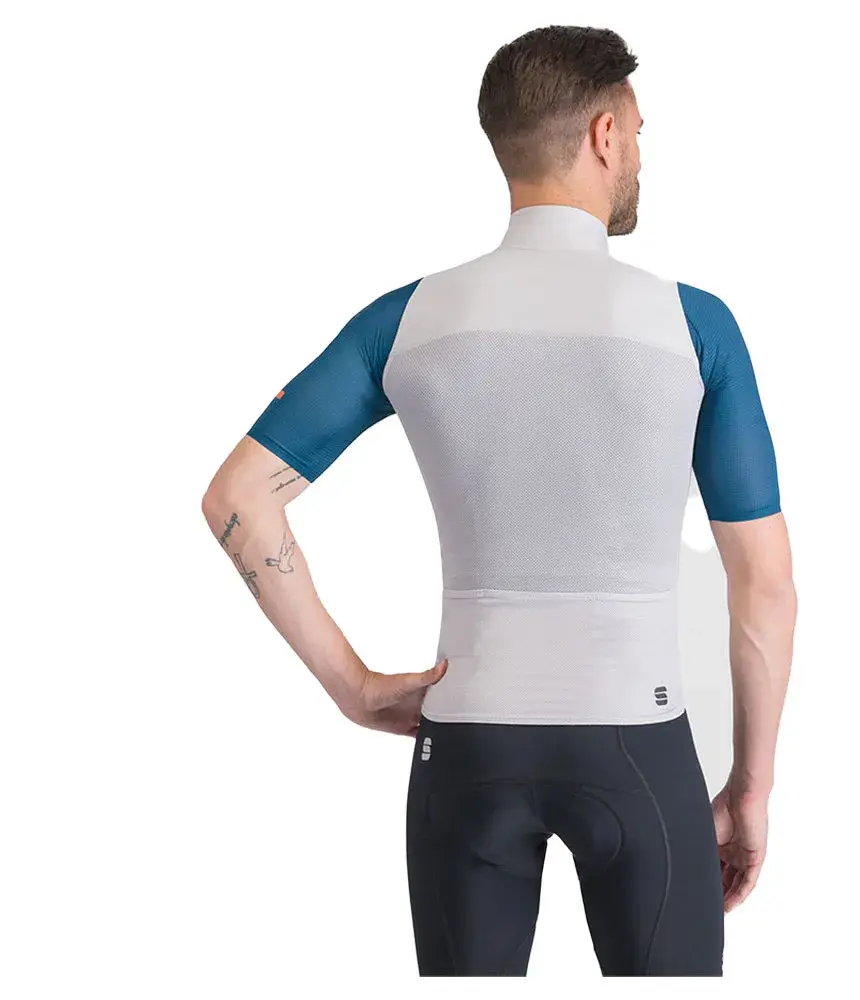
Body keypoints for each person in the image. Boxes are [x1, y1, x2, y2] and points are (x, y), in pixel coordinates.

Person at [201, 24, 797, 977]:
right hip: (640, 747)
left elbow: (239, 497)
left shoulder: (405, 321)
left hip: (465, 746)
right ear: (605, 134)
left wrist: (355, 690)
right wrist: (751, 789)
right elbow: (762, 582)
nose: (642, 155)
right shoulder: (695, 328)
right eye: (640, 132)